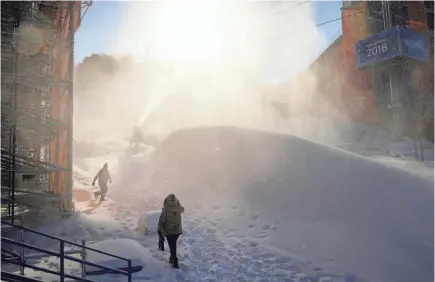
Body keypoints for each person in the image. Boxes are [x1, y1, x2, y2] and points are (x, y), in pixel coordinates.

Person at [157, 194, 184, 269]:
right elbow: (183, 210)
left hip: (170, 231)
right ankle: (171, 259)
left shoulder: (166, 209)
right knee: (173, 245)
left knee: (172, 247)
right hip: (177, 231)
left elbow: (161, 221)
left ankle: (175, 263)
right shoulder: (178, 207)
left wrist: (160, 230)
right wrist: (178, 203)